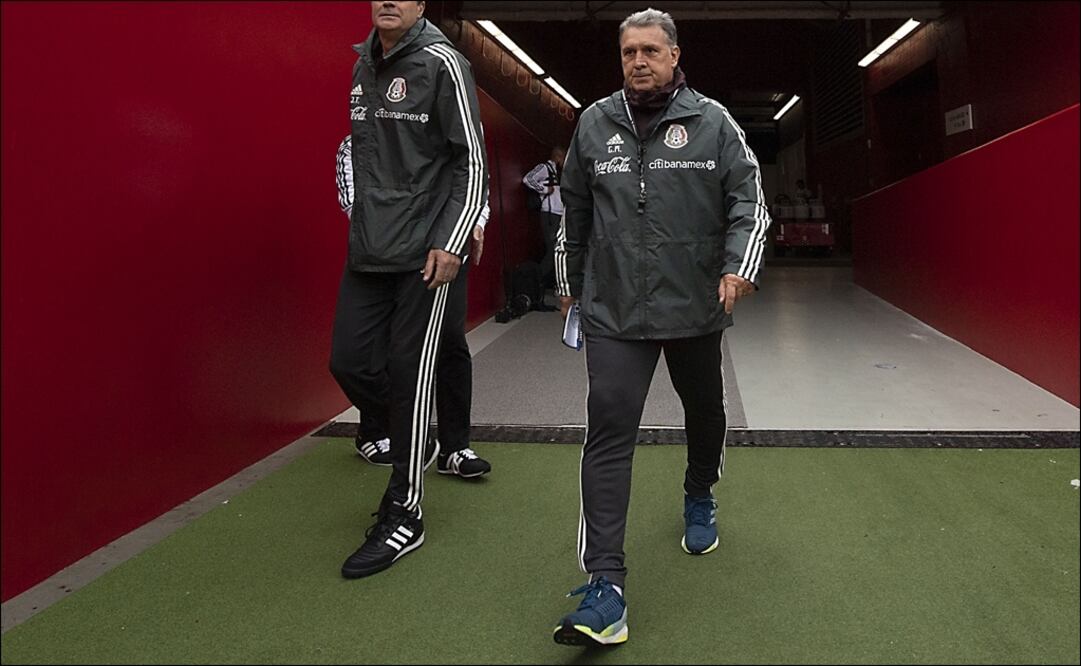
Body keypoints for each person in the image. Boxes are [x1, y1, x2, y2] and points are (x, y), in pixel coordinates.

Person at [551, 7, 770, 646]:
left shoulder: (712, 123)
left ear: (674, 55)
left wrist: (739, 267)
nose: (639, 62)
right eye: (628, 53)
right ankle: (605, 587)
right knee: (608, 431)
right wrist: (570, 286)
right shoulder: (595, 123)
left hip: (694, 306)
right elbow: (574, 215)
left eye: (650, 50)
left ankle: (699, 492)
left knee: (704, 410)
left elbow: (749, 200)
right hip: (615, 310)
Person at [329, 0, 488, 580]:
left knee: (411, 371)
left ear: (421, 3)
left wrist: (453, 237)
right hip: (369, 247)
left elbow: (472, 162)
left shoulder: (443, 62)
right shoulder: (362, 64)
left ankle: (405, 511)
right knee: (347, 360)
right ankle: (408, 433)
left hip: (425, 251)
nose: (387, 1)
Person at [335, 134, 493, 479]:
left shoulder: (450, 134)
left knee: (450, 341)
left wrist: (475, 224)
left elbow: (474, 179)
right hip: (387, 253)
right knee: (385, 346)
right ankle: (376, 432)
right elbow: (353, 202)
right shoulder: (356, 142)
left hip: (448, 249)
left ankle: (454, 447)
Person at [522, 146, 566, 289]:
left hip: (558, 214)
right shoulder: (544, 167)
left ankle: (546, 282)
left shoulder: (558, 172)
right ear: (558, 156)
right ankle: (534, 281)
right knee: (553, 250)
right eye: (563, 157)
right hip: (549, 213)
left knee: (558, 249)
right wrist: (545, 189)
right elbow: (528, 179)